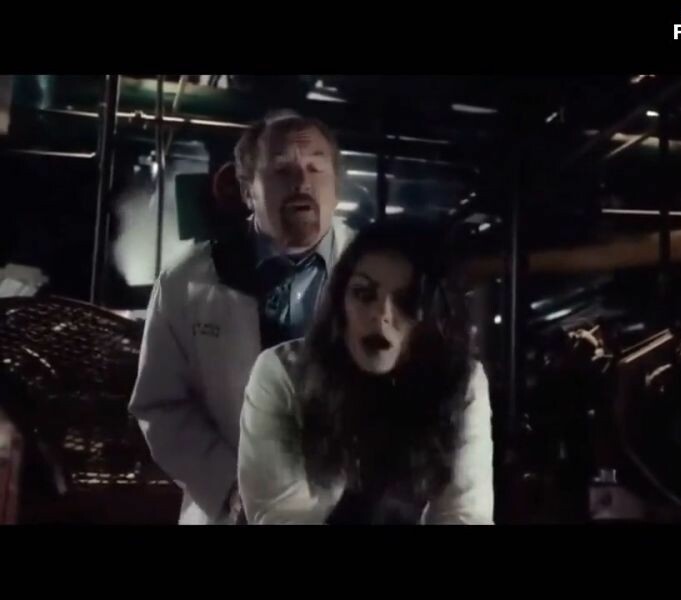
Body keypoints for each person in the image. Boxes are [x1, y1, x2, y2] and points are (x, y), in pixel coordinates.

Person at [129, 111, 354, 524]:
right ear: (248, 190)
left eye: (316, 168)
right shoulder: (187, 282)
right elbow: (160, 404)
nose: (302, 182)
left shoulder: (375, 274)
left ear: (336, 187)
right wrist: (231, 486)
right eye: (282, 169)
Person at [238, 219, 494, 524]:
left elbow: (465, 515)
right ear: (340, 301)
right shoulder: (283, 373)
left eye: (407, 301)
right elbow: (282, 517)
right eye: (364, 293)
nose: (381, 314)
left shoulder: (461, 380)